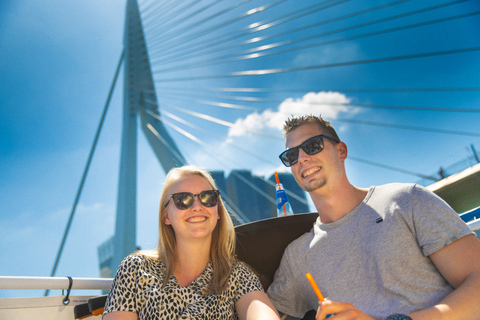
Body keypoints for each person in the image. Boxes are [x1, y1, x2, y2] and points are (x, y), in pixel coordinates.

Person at [267, 114, 480, 320]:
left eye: (313, 146)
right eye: (291, 156)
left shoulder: (407, 200)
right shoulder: (296, 257)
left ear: (341, 150)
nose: (302, 158)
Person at [103, 165, 280, 320]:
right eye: (182, 199)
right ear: (166, 216)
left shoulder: (238, 275)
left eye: (208, 197)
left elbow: (259, 311)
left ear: (217, 211)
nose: (197, 206)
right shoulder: (134, 269)